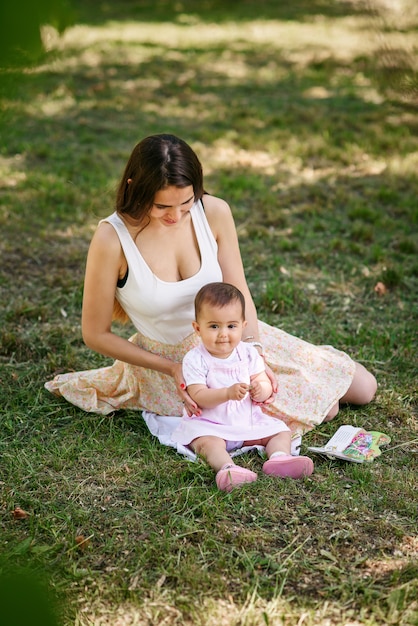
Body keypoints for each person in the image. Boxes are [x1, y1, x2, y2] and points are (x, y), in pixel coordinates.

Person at [45, 133, 377, 447]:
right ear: (135, 189)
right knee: (326, 409)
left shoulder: (215, 212)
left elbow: (239, 290)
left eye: (186, 203)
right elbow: (95, 334)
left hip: (233, 339)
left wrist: (255, 354)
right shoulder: (111, 239)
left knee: (364, 388)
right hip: (175, 364)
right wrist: (172, 368)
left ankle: (301, 362)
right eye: (162, 207)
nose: (176, 216)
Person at [171, 282, 314, 492]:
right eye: (214, 326)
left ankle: (280, 457)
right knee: (206, 443)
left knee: (280, 432)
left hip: (246, 420)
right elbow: (198, 395)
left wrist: (261, 388)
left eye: (231, 326)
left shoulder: (247, 353)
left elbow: (262, 380)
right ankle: (228, 469)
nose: (223, 334)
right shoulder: (194, 359)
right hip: (211, 423)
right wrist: (227, 393)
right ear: (197, 328)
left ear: (243, 325)